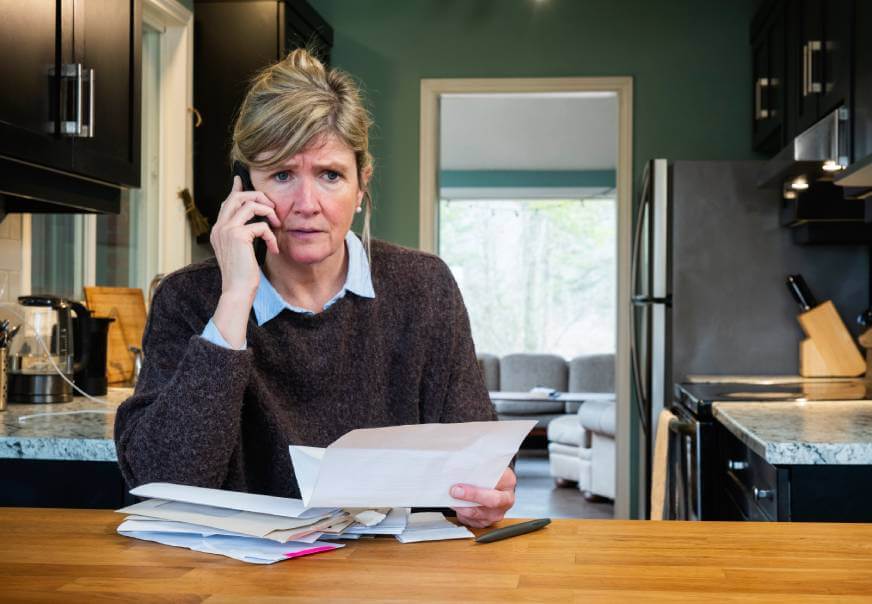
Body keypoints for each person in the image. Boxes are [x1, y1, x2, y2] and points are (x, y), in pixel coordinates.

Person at [114, 49, 516, 528]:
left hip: (392, 577)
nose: (307, 204)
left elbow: (472, 469)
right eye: (282, 175)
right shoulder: (189, 298)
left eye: (330, 175)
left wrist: (483, 497)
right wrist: (236, 296)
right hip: (234, 582)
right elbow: (164, 482)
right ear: (243, 187)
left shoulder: (424, 287)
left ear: (362, 184)